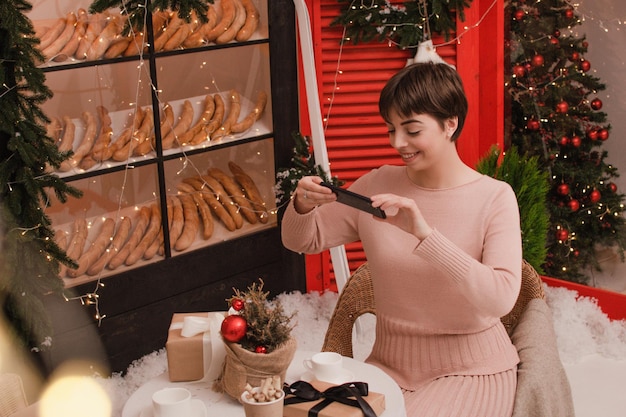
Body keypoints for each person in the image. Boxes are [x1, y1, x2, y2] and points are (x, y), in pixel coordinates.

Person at [281, 61, 522, 416]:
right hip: (386, 368)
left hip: (471, 371)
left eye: (411, 130)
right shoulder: (379, 183)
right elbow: (303, 240)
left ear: (450, 123)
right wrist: (301, 205)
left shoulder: (494, 198)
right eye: (391, 129)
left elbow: (500, 299)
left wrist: (424, 235)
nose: (398, 142)